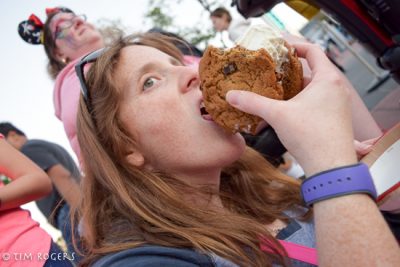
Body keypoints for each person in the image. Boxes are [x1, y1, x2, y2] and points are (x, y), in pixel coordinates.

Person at [73, 32, 399, 266]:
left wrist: (354, 172)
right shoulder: (146, 260)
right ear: (127, 148)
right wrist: (332, 170)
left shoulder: (272, 194)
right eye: (150, 82)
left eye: (178, 63)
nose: (195, 72)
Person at [18, 7, 201, 161]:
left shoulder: (132, 54)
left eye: (76, 18)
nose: (78, 23)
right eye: (63, 26)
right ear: (58, 53)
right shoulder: (76, 80)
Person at [0, 122, 82, 263]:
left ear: (13, 136)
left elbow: (61, 175)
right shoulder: (41, 146)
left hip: (70, 211)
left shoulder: (29, 149)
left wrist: (82, 215)